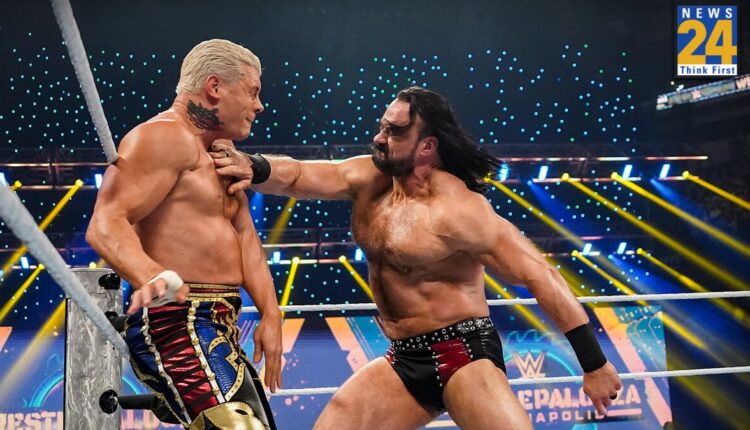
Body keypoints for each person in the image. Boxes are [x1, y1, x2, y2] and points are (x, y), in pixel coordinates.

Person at [211, 86, 622, 429]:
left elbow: (540, 275)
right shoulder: (369, 179)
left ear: (427, 145)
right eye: (382, 126)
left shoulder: (459, 211)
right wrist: (253, 165)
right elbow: (300, 175)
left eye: (394, 131)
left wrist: (594, 364)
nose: (380, 138)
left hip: (463, 354)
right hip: (404, 358)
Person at [86, 39, 281, 430]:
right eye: (252, 92)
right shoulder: (163, 137)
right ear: (214, 87)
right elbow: (106, 223)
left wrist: (271, 312)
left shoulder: (221, 152)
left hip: (218, 321)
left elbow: (244, 235)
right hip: (177, 321)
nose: (259, 105)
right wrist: (151, 274)